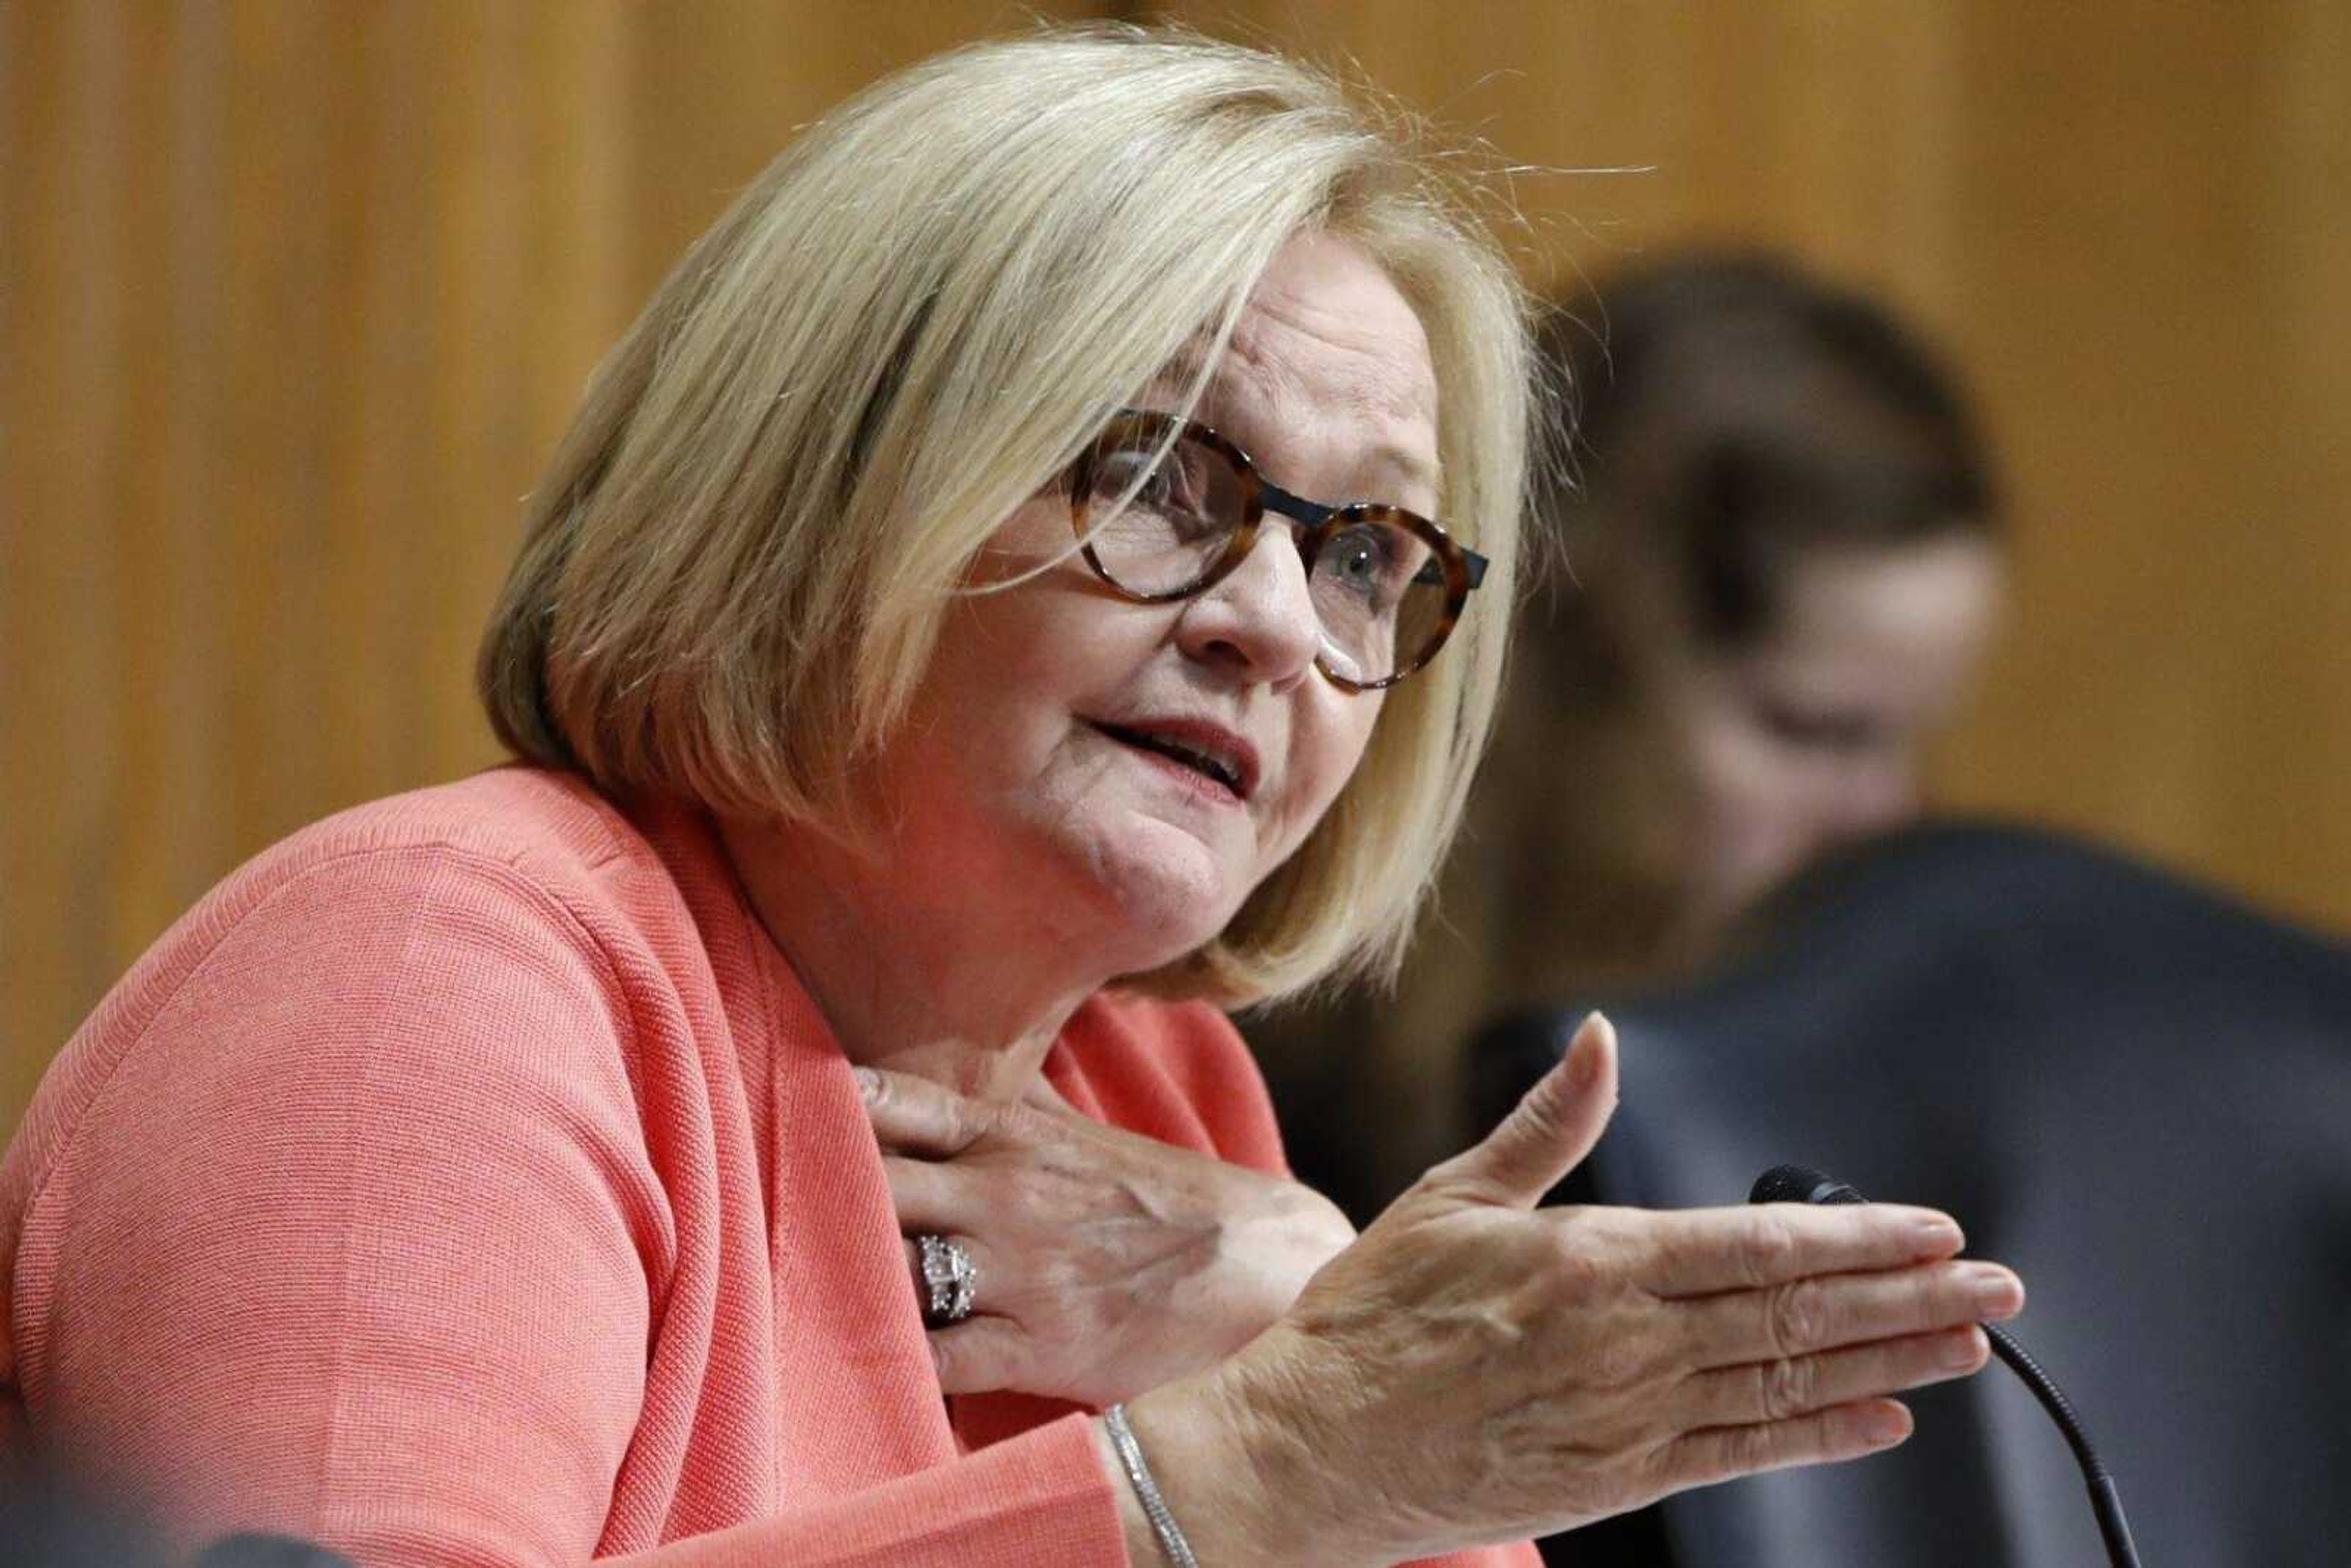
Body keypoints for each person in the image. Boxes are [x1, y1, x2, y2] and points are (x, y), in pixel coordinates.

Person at [0, 30, 2021, 1568]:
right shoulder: (440, 977)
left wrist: (1308, 1309)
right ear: (828, 471)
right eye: (1162, 478)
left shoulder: (1163, 1110)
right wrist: (1222, 1479)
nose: (1269, 624)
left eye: (1360, 556)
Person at [1251, 253, 2009, 1218]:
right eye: (1812, 731)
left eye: (1909, 742)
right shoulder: (1256, 1034)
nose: (1886, 815)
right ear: (1557, 656)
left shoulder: (1904, 1085)